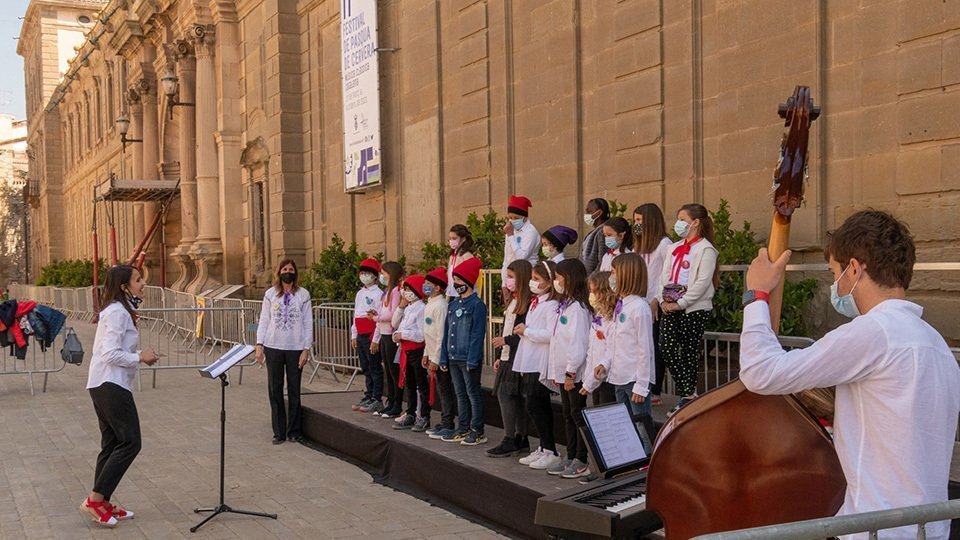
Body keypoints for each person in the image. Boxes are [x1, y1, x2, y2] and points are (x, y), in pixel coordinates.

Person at [740, 210, 960, 540]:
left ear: (855, 268)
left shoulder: (873, 332)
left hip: (876, 530)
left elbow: (760, 372)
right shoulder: (936, 344)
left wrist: (756, 294)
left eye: (835, 273)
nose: (835, 285)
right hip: (929, 529)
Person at [81, 265, 158, 528]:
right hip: (109, 383)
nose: (143, 284)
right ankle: (94, 500)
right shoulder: (116, 313)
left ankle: (102, 500)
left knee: (112, 443)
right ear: (124, 286)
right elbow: (109, 353)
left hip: (106, 383)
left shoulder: (120, 310)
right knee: (130, 442)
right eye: (138, 280)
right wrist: (140, 357)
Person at [656, 203, 719, 417]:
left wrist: (682, 303)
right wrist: (662, 300)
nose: (679, 223)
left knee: (690, 352)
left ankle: (686, 398)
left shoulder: (705, 249)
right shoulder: (672, 248)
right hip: (670, 305)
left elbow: (702, 282)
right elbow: (663, 276)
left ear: (695, 223)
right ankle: (689, 392)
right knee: (666, 346)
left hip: (693, 308)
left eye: (683, 219)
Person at [595, 253, 657, 451]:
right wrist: (605, 364)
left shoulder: (639, 307)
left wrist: (641, 385)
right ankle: (634, 459)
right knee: (626, 425)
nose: (610, 276)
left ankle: (648, 462)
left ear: (627, 275)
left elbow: (645, 349)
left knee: (641, 424)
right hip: (618, 378)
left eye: (614, 272)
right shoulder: (620, 306)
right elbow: (614, 342)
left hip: (633, 380)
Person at [542, 259, 592, 479]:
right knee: (567, 414)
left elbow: (578, 345)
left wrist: (571, 373)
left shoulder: (579, 310)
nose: (556, 281)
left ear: (570, 279)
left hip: (573, 374)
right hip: (563, 373)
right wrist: (557, 372)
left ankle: (582, 458)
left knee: (577, 414)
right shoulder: (567, 306)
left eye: (559, 277)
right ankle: (571, 455)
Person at [255, 259, 313, 444]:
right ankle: (278, 431)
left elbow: (307, 322)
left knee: (294, 389)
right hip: (273, 347)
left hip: (295, 347)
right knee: (275, 389)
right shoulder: (270, 294)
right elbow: (264, 320)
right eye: (284, 269)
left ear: (295, 273)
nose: (288, 272)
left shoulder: (303, 295)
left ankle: (294, 431)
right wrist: (259, 345)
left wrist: (306, 348)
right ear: (279, 272)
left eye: (291, 269)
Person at [513, 261, 562, 470]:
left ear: (550, 283)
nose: (532, 283)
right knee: (532, 405)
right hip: (530, 359)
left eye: (537, 279)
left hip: (540, 361)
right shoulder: (536, 302)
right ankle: (543, 447)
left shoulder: (551, 305)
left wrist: (527, 331)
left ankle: (550, 449)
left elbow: (551, 334)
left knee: (537, 405)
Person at [487, 259, 534, 458]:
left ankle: (511, 438)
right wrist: (499, 355)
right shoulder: (514, 301)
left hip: (517, 356)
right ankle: (519, 437)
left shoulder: (528, 303)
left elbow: (522, 332)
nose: (508, 280)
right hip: (508, 355)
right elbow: (508, 326)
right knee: (511, 396)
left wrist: (505, 340)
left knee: (507, 395)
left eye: (512, 277)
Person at [438, 257, 488, 445]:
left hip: (467, 358)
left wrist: (472, 360)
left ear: (468, 281)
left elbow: (477, 334)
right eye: (454, 280)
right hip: (452, 356)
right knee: (459, 393)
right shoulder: (453, 304)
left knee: (472, 393)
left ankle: (477, 429)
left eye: (459, 280)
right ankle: (463, 426)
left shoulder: (477, 305)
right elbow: (446, 332)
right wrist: (443, 356)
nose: (455, 284)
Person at [578, 270, 619, 484]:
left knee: (607, 426)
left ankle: (611, 468)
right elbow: (591, 352)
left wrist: (589, 383)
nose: (591, 296)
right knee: (598, 426)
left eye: (594, 292)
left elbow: (606, 355)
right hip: (595, 381)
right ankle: (601, 467)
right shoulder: (599, 317)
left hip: (607, 380)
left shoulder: (612, 320)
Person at [632, 204, 672, 405]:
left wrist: (657, 299)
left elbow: (666, 275)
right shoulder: (638, 245)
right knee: (640, 345)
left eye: (640, 221)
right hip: (639, 302)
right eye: (635, 221)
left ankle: (654, 389)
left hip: (654, 303)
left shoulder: (664, 244)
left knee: (655, 346)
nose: (636, 225)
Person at [422, 267, 458, 440]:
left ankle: (448, 423)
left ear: (438, 288)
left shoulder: (441, 306)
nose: (425, 286)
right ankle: (445, 421)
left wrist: (436, 358)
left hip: (442, 356)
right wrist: (426, 353)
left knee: (445, 390)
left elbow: (441, 335)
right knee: (440, 389)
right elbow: (428, 333)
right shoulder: (430, 304)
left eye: (429, 283)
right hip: (432, 353)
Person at [392, 274, 429, 431]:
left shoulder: (421, 308)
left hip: (417, 351)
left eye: (408, 289)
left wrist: (404, 335)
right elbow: (396, 324)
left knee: (421, 384)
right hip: (405, 350)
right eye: (404, 289)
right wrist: (397, 335)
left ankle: (423, 415)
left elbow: (421, 334)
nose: (405, 293)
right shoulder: (408, 308)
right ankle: (411, 412)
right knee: (409, 384)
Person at [351, 258, 385, 414]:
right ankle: (368, 394)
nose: (364, 276)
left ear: (375, 276)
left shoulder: (378, 294)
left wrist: (375, 339)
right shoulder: (360, 293)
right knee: (365, 367)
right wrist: (354, 335)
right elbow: (356, 314)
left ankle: (377, 398)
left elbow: (378, 317)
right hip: (361, 334)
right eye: (362, 273)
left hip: (371, 334)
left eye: (368, 273)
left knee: (374, 367)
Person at [373, 261, 405, 418]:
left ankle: (397, 404)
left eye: (384, 273)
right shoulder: (387, 292)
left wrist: (376, 318)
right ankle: (390, 402)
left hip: (392, 335)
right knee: (389, 371)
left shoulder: (396, 292)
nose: (382, 276)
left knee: (394, 372)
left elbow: (392, 314)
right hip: (384, 335)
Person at [501, 195, 539, 303]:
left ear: (525, 218)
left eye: (516, 218)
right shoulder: (511, 231)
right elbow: (507, 258)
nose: (512, 221)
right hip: (512, 278)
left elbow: (522, 257)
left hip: (525, 278)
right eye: (510, 218)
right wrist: (504, 283)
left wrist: (511, 235)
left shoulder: (531, 232)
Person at [580, 198, 611, 274]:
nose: (586, 214)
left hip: (594, 280)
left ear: (599, 212)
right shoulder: (592, 233)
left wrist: (593, 278)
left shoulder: (603, 232)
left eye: (589, 211)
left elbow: (602, 260)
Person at [446, 224, 476, 298]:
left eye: (454, 238)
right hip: (452, 294)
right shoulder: (452, 257)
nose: (451, 241)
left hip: (464, 294)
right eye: (450, 238)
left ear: (463, 239)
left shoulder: (467, 256)